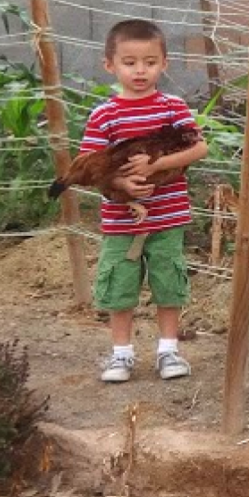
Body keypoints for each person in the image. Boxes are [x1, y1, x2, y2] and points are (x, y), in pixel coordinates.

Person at [77, 19, 209, 382]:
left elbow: (199, 147)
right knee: (120, 285)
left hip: (167, 217)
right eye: (130, 62)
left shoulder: (172, 108)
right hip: (122, 221)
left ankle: (169, 351)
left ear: (164, 63)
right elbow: (89, 167)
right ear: (110, 65)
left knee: (168, 282)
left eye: (149, 62)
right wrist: (122, 183)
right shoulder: (105, 115)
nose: (140, 70)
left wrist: (158, 164)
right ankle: (121, 355)